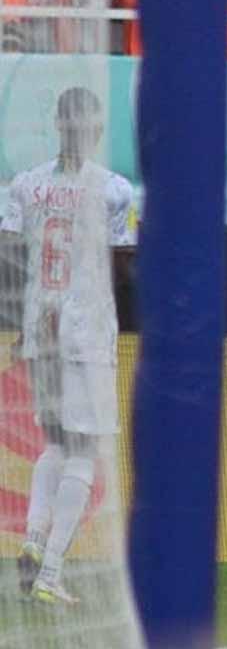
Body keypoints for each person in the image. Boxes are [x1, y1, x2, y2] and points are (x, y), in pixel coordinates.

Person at [7, 87, 137, 605]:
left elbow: (10, 256)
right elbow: (123, 265)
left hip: (40, 329)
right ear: (97, 129)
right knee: (87, 453)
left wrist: (26, 320)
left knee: (57, 444)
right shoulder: (113, 190)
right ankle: (51, 572)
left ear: (58, 124)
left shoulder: (26, 185)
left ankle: (35, 540)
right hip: (84, 334)